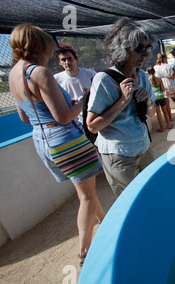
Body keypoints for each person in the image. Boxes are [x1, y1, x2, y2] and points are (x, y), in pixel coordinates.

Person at [8, 24, 105, 267]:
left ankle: (105, 220)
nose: (50, 56)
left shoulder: (13, 74)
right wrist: (82, 101)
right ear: (38, 46)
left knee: (86, 192)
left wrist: (57, 109)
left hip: (42, 139)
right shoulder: (39, 72)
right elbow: (63, 117)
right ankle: (85, 252)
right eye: (49, 50)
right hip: (65, 140)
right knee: (85, 197)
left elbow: (24, 117)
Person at [86, 17, 157, 197]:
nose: (146, 54)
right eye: (139, 49)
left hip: (143, 148)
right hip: (120, 157)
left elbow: (152, 113)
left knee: (152, 193)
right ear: (122, 49)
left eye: (147, 48)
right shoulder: (104, 80)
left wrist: (147, 101)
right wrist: (122, 102)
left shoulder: (142, 76)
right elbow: (92, 125)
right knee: (132, 201)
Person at [54, 46, 96, 123]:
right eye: (63, 60)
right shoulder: (56, 80)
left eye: (70, 59)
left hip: (94, 117)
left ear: (76, 60)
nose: (67, 62)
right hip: (75, 122)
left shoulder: (91, 74)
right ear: (59, 63)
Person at [154, 53, 175, 119]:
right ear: (164, 58)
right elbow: (172, 77)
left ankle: (170, 117)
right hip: (170, 84)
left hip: (161, 85)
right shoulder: (168, 66)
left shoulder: (155, 67)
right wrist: (174, 73)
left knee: (166, 103)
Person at [147, 66, 171, 132]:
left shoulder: (148, 80)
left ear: (148, 73)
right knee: (165, 111)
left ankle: (162, 128)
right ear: (154, 71)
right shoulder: (159, 79)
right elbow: (163, 89)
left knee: (158, 113)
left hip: (154, 98)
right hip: (161, 96)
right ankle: (168, 125)